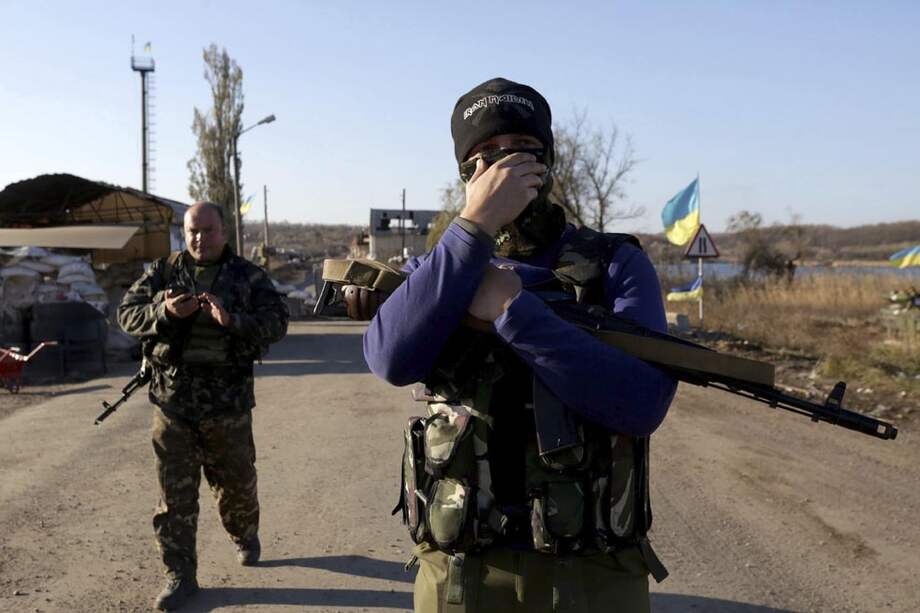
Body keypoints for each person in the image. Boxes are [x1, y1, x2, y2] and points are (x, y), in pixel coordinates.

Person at [363, 78, 678, 612]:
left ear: (548, 160)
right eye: (485, 154)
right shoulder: (438, 270)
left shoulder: (614, 264)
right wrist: (474, 227)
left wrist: (513, 311)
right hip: (461, 570)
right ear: (465, 173)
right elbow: (390, 359)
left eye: (522, 149)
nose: (504, 165)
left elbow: (642, 403)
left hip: (592, 570)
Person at [117, 202, 289, 610]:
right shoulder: (164, 272)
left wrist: (232, 321)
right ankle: (180, 575)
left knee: (236, 488)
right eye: (193, 231)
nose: (199, 238)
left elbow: (277, 322)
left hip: (227, 407)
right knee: (174, 498)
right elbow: (126, 314)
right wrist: (163, 311)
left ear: (223, 232)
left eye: (208, 230)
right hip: (172, 405)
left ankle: (244, 533)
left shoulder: (247, 276)